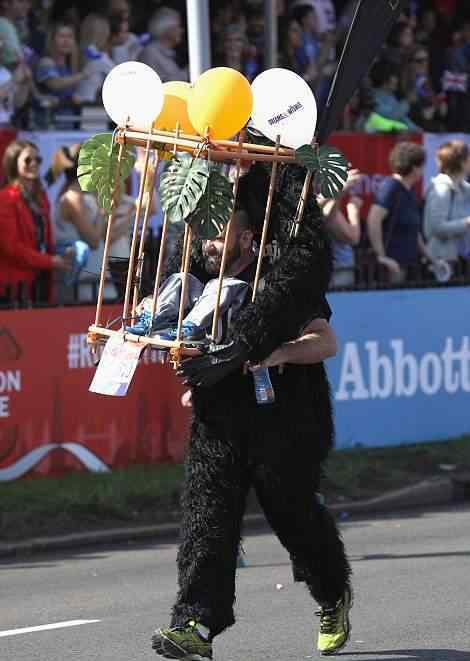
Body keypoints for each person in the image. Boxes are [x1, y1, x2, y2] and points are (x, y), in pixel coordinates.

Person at [149, 157, 352, 659]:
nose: (208, 242)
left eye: (220, 234)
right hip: (222, 418)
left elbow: (325, 342)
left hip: (287, 415)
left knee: (294, 515)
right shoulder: (196, 281)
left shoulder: (279, 278)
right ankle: (195, 623)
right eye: (206, 232)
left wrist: (277, 351)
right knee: (206, 514)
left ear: (246, 240)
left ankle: (332, 595)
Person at [0, 139, 71, 305]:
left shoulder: (41, 197)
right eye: (27, 160)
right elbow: (12, 248)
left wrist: (59, 255)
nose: (34, 163)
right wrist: (50, 261)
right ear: (13, 162)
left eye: (38, 159)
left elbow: (43, 238)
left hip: (41, 281)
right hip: (15, 288)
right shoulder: (5, 199)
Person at [48, 143, 118, 303]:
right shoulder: (74, 198)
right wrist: (103, 210)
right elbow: (93, 240)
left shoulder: (75, 193)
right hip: (85, 279)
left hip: (92, 275)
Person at [367, 141, 426, 284]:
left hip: (408, 266)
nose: (423, 170)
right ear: (414, 168)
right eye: (422, 165)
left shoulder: (410, 190)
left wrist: (430, 257)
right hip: (392, 270)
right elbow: (373, 220)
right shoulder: (390, 187)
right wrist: (382, 257)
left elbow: (414, 230)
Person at [423, 139, 470, 273]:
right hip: (441, 262)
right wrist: (467, 222)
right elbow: (437, 227)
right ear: (462, 163)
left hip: (460, 259)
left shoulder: (463, 187)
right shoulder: (441, 190)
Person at [138, 7, 187, 82]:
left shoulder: (168, 54)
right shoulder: (150, 53)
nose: (181, 30)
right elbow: (153, 82)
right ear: (167, 29)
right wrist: (186, 73)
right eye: (178, 26)